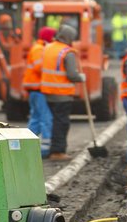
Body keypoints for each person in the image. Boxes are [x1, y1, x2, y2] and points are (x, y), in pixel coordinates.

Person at [40, 24, 84, 161]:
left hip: (48, 92)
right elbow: (71, 74)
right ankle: (58, 152)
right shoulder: (67, 52)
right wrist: (80, 77)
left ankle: (52, 149)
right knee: (62, 123)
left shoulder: (48, 48)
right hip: (62, 93)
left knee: (54, 121)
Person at [25, 27, 55, 156]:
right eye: (53, 36)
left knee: (36, 119)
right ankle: (45, 148)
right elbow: (39, 67)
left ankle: (25, 145)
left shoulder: (39, 48)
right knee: (45, 118)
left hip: (35, 91)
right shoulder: (39, 49)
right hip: (38, 90)